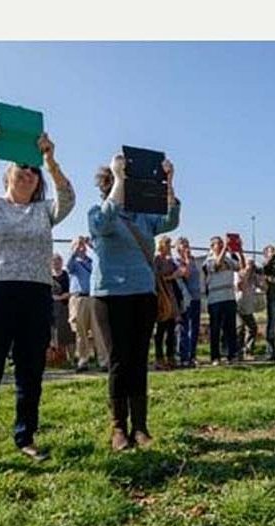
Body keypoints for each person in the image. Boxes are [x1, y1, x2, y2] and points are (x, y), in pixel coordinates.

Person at [0, 121, 75, 480]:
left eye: (34, 172)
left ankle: (26, 437)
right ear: (8, 174)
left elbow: (68, 198)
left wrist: (50, 161)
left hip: (35, 295)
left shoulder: (44, 211)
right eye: (23, 168)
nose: (29, 174)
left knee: (30, 372)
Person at [89, 154, 179, 451]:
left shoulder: (145, 218)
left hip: (142, 294)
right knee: (118, 361)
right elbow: (102, 224)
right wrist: (119, 178)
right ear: (110, 184)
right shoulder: (100, 212)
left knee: (138, 361)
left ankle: (140, 427)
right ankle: (118, 428)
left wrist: (169, 182)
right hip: (109, 295)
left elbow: (171, 219)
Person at [204, 235, 240, 365]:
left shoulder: (229, 260)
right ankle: (215, 357)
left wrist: (239, 250)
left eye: (221, 243)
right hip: (215, 300)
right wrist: (225, 247)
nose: (219, 245)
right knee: (215, 329)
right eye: (217, 243)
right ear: (212, 247)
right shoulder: (208, 261)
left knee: (230, 328)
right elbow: (217, 265)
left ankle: (232, 354)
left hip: (229, 297)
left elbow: (241, 267)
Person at [66, 236, 97, 373]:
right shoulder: (74, 263)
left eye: (82, 245)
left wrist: (91, 245)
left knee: (98, 331)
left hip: (93, 297)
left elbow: (102, 258)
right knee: (81, 331)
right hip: (79, 298)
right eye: (79, 245)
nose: (82, 247)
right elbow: (68, 266)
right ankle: (83, 359)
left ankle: (103, 360)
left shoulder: (92, 262)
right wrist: (75, 250)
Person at [154, 235, 183, 370]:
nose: (168, 247)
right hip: (162, 295)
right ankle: (159, 358)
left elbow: (180, 270)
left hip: (171, 295)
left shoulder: (170, 260)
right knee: (160, 330)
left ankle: (170, 356)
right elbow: (158, 275)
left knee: (171, 330)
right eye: (167, 244)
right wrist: (171, 275)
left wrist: (176, 273)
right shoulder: (157, 259)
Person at [174, 237, 201, 367]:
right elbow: (187, 274)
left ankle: (192, 355)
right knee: (185, 327)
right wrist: (185, 258)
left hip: (196, 297)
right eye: (183, 246)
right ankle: (183, 356)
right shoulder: (177, 261)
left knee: (194, 328)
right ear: (177, 248)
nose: (186, 248)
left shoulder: (193, 260)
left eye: (187, 245)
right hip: (185, 299)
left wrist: (189, 259)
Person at [50, 253, 75, 366]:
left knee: (68, 333)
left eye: (58, 261)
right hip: (52, 308)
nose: (56, 263)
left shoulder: (67, 275)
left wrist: (62, 297)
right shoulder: (48, 277)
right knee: (55, 333)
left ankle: (72, 359)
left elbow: (73, 289)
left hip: (66, 307)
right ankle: (59, 359)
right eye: (54, 261)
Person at [236, 255, 262, 359]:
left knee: (252, 328)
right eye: (249, 263)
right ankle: (239, 352)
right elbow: (240, 286)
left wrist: (261, 276)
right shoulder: (239, 274)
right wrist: (246, 273)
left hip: (248, 307)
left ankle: (248, 351)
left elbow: (264, 287)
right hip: (239, 305)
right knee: (240, 329)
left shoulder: (254, 277)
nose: (251, 266)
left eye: (252, 264)